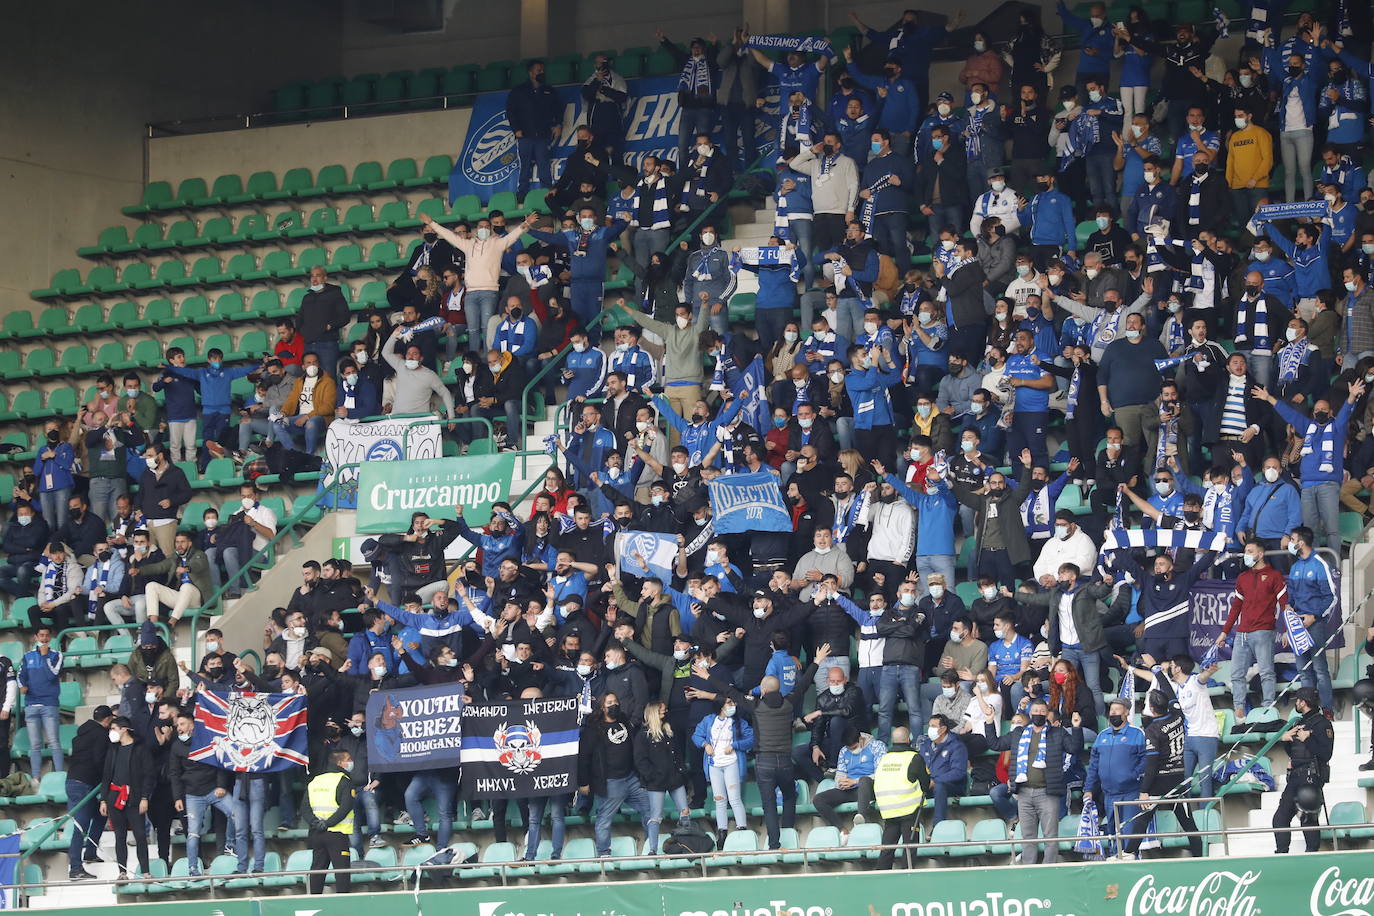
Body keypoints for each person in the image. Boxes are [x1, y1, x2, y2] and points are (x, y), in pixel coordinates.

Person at [699, 645, 824, 850]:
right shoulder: (789, 702)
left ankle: (774, 844)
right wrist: (816, 661)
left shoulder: (756, 705)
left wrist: (708, 677)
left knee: (769, 805)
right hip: (784, 760)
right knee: (790, 795)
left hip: (764, 762)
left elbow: (730, 691)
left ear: (763, 690)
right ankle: (789, 831)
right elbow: (802, 684)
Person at [982, 700, 1077, 864]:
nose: (1038, 713)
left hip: (1048, 792)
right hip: (1024, 793)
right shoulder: (1018, 733)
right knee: (1027, 837)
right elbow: (995, 744)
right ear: (1030, 713)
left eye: (1042, 711)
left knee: (1050, 836)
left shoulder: (1058, 733)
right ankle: (1029, 869)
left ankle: (1049, 869)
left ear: (1047, 714)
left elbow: (1074, 748)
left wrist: (1076, 728)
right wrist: (990, 721)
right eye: (1035, 710)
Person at [1122, 687, 1205, 857]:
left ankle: (1128, 853)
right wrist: (1157, 672)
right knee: (1188, 822)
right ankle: (1201, 855)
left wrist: (1144, 791)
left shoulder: (1152, 731)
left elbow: (1151, 764)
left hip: (1160, 781)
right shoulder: (1178, 716)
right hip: (1178, 778)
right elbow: (1173, 699)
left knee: (1143, 818)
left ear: (1152, 709)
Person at [579, 693, 657, 857]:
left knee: (650, 810)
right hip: (610, 781)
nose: (614, 704)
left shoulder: (624, 721)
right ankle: (604, 853)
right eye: (609, 702)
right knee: (604, 820)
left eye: (616, 701)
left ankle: (652, 847)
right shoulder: (593, 729)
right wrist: (583, 782)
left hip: (631, 778)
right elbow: (583, 757)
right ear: (602, 707)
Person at [1217, 539, 1287, 716]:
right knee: (1236, 674)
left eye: (1250, 551)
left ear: (1260, 554)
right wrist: (1224, 632)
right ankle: (1239, 709)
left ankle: (1267, 708)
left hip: (1264, 631)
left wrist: (1287, 630)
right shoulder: (1243, 577)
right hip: (1241, 633)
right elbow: (1235, 607)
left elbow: (1285, 604)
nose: (1246, 555)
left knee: (1266, 672)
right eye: (1245, 551)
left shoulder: (1274, 576)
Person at [169, 710, 236, 876]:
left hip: (214, 789)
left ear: (192, 725)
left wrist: (221, 785)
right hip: (192, 794)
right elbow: (175, 774)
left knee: (236, 813)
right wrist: (177, 797)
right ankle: (193, 869)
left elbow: (219, 763)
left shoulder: (206, 739)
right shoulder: (176, 746)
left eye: (182, 724)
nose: (179, 728)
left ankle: (230, 846)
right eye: (177, 725)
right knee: (192, 833)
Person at [1271, 686, 1334, 853]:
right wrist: (1285, 740)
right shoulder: (1298, 722)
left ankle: (1311, 855)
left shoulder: (1322, 723)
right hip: (1295, 776)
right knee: (1280, 818)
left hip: (1311, 776)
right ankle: (1281, 854)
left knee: (1308, 818)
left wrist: (1308, 739)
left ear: (1304, 702)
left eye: (1298, 700)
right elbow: (1293, 753)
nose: (1296, 704)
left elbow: (1325, 754)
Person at [1286, 526, 1338, 716]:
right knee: (1303, 670)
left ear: (1301, 542)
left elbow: (1331, 597)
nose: (1289, 543)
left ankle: (1327, 709)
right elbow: (1291, 598)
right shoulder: (1295, 566)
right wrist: (1289, 611)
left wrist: (1314, 616)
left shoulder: (1319, 564)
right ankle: (1309, 712)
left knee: (1319, 668)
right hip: (1297, 625)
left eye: (1292, 539)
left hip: (1315, 624)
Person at [692, 694, 755, 847]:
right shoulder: (708, 720)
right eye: (729, 702)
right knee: (719, 801)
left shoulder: (738, 721)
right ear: (721, 705)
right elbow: (696, 735)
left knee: (734, 799)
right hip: (714, 765)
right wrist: (705, 744)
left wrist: (735, 745)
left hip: (731, 763)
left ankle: (741, 830)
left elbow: (752, 738)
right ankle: (722, 834)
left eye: (733, 702)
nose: (733, 705)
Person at [1085, 698, 1146, 851]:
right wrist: (1088, 789)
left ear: (1126, 712)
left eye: (1117, 710)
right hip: (1109, 795)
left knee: (1128, 835)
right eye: (1111, 710)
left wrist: (1132, 775)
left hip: (1130, 794)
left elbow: (1146, 760)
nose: (1113, 713)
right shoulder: (1102, 736)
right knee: (1113, 834)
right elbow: (1093, 766)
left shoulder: (1137, 734)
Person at [101, 715, 154, 879]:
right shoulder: (113, 749)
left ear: (124, 729)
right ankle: (122, 872)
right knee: (120, 836)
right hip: (115, 797)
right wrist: (104, 799)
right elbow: (106, 775)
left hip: (135, 798)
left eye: (114, 728)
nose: (111, 732)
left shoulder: (140, 749)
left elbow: (149, 775)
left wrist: (145, 797)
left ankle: (145, 871)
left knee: (139, 834)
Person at [64, 705, 112, 879]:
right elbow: (99, 760)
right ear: (107, 720)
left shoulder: (81, 734)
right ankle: (75, 868)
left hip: (72, 781)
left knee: (100, 815)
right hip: (84, 784)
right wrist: (107, 779)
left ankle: (90, 852)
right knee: (80, 827)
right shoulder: (100, 734)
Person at [872, 726, 930, 870]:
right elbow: (925, 782)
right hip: (909, 809)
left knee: (887, 848)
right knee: (909, 847)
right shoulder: (913, 757)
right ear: (908, 739)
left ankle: (881, 875)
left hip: (888, 810)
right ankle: (907, 876)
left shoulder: (884, 759)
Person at [506, 60, 562, 206]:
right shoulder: (519, 91)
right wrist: (516, 129)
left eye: (542, 70)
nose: (541, 73)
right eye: (538, 70)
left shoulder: (549, 90)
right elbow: (511, 112)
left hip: (543, 135)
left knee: (544, 165)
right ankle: (522, 193)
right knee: (524, 166)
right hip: (524, 135)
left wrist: (558, 124)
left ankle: (548, 192)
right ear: (530, 72)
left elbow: (558, 109)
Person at [303, 749, 355, 894]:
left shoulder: (315, 781)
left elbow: (304, 808)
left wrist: (316, 823)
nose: (351, 762)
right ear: (340, 763)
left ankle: (314, 900)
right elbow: (346, 807)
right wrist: (328, 823)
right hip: (337, 833)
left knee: (317, 869)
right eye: (348, 759)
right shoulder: (344, 781)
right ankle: (344, 904)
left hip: (317, 833)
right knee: (342, 871)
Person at [19, 624, 65, 775]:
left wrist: (45, 656)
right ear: (36, 637)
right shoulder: (27, 656)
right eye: (41, 636)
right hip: (31, 704)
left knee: (54, 742)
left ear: (50, 638)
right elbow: (20, 675)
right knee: (35, 745)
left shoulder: (57, 655)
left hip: (49, 704)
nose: (44, 639)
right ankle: (36, 777)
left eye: (46, 636)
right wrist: (22, 686)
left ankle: (58, 775)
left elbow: (53, 675)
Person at [298, 265, 351, 374]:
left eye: (318, 275)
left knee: (328, 376)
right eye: (312, 276)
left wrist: (330, 326)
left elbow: (345, 316)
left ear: (325, 278)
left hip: (327, 343)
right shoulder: (307, 297)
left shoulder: (335, 294)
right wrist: (304, 333)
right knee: (310, 378)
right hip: (309, 344)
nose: (314, 279)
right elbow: (300, 319)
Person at [917, 714, 968, 822]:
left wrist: (935, 781)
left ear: (943, 729)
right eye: (929, 725)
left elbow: (958, 772)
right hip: (929, 784)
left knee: (939, 787)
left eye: (933, 726)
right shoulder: (925, 745)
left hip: (953, 786)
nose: (929, 729)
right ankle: (911, 827)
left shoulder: (957, 745)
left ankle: (938, 825)